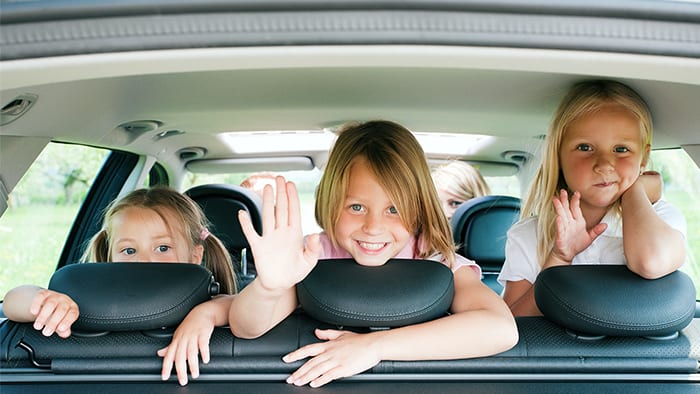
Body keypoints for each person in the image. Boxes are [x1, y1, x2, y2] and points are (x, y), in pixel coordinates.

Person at [229, 120, 518, 388]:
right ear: (331, 202)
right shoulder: (311, 256)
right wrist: (269, 288)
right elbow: (247, 329)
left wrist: (373, 346)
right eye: (356, 207)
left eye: (394, 209)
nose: (373, 228)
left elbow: (501, 328)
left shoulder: (437, 259)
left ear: (418, 207)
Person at [2, 186, 238, 386]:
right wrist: (41, 298)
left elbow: (234, 305)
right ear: (109, 256)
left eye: (163, 248)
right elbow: (12, 303)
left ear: (195, 256)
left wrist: (205, 314)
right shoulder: (81, 302)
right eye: (129, 251)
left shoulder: (206, 304)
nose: (144, 261)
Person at [498, 80, 687, 317]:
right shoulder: (531, 234)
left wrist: (634, 192)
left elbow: (651, 262)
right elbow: (512, 324)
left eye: (621, 149)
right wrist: (559, 258)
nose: (605, 164)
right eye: (585, 147)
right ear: (558, 154)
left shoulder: (661, 217)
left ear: (643, 157)